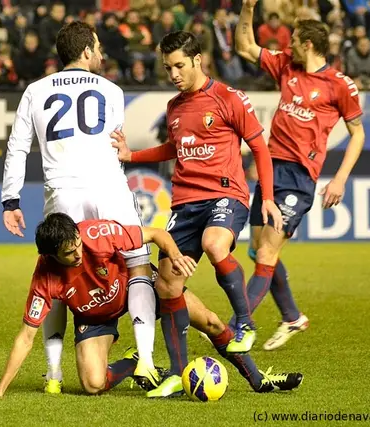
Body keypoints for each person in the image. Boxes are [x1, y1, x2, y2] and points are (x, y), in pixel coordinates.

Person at [110, 30, 282, 397]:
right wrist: (131, 155)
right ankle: (175, 371)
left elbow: (260, 148)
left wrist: (266, 197)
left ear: (197, 61)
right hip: (185, 204)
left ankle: (246, 325)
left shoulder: (228, 98)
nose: (173, 73)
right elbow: (172, 148)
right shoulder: (174, 108)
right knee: (168, 283)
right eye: (167, 67)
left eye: (179, 66)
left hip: (225, 194)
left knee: (215, 244)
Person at [0, 214, 303, 399]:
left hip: (138, 290)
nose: (78, 254)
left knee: (212, 322)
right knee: (93, 384)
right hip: (95, 318)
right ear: (50, 255)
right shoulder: (45, 278)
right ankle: (133, 361)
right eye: (69, 254)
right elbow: (26, 337)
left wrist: (175, 258)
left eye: (78, 246)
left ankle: (259, 380)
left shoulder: (98, 234)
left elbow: (156, 234)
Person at [0, 21, 160, 394]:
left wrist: (11, 200)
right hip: (107, 185)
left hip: (62, 192)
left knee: (57, 274)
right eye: (99, 47)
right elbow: (113, 141)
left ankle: (54, 375)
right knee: (137, 263)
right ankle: (147, 362)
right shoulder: (112, 90)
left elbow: (17, 147)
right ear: (87, 51)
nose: (102, 54)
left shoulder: (35, 90)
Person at [233, 0, 365, 350]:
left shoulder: (339, 85)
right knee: (257, 252)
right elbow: (244, 46)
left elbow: (358, 134)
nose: (287, 45)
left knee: (265, 254)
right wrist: (247, 9)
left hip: (299, 178)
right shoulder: (286, 67)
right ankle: (292, 317)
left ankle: (237, 327)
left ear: (308, 44)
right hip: (269, 171)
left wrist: (339, 179)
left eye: (293, 40)